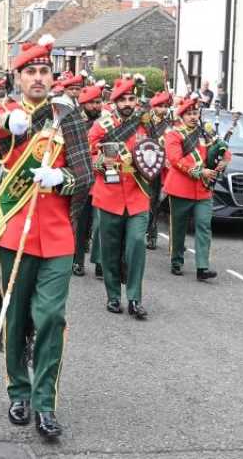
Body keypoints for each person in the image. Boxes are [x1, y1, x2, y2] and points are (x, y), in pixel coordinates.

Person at [0, 38, 93, 439]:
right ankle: (19, 391)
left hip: (58, 235)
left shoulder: (69, 116)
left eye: (44, 71)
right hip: (17, 231)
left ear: (53, 76)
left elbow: (85, 176)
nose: (38, 78)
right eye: (30, 71)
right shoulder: (7, 113)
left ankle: (46, 404)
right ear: (18, 77)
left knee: (50, 317)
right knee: (16, 316)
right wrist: (10, 126)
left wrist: (59, 179)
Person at [89, 77, 152, 320]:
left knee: (136, 244)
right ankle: (113, 295)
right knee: (110, 250)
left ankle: (135, 298)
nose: (128, 103)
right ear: (114, 102)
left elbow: (157, 151)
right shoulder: (102, 126)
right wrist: (100, 163)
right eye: (123, 99)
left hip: (137, 194)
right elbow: (88, 153)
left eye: (132, 99)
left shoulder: (145, 125)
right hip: (109, 194)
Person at [164, 96, 230, 279]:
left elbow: (222, 147)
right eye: (190, 114)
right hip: (181, 189)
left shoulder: (205, 133)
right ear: (182, 116)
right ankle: (176, 261)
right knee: (179, 228)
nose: (194, 117)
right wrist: (201, 171)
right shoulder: (174, 134)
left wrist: (225, 159)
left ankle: (202, 267)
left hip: (203, 190)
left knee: (204, 226)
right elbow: (175, 160)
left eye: (196, 113)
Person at [72, 85, 103, 278]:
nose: (96, 106)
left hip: (102, 180)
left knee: (100, 223)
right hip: (81, 178)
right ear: (84, 104)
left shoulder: (107, 122)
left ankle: (100, 262)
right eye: (92, 102)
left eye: (99, 102)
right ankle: (77, 261)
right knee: (80, 222)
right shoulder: (75, 122)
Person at [146, 91, 172, 250]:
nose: (163, 109)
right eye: (160, 106)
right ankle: (147, 231)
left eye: (165, 106)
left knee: (156, 203)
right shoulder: (146, 122)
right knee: (147, 200)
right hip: (146, 165)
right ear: (153, 107)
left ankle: (152, 234)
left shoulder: (170, 124)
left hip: (162, 168)